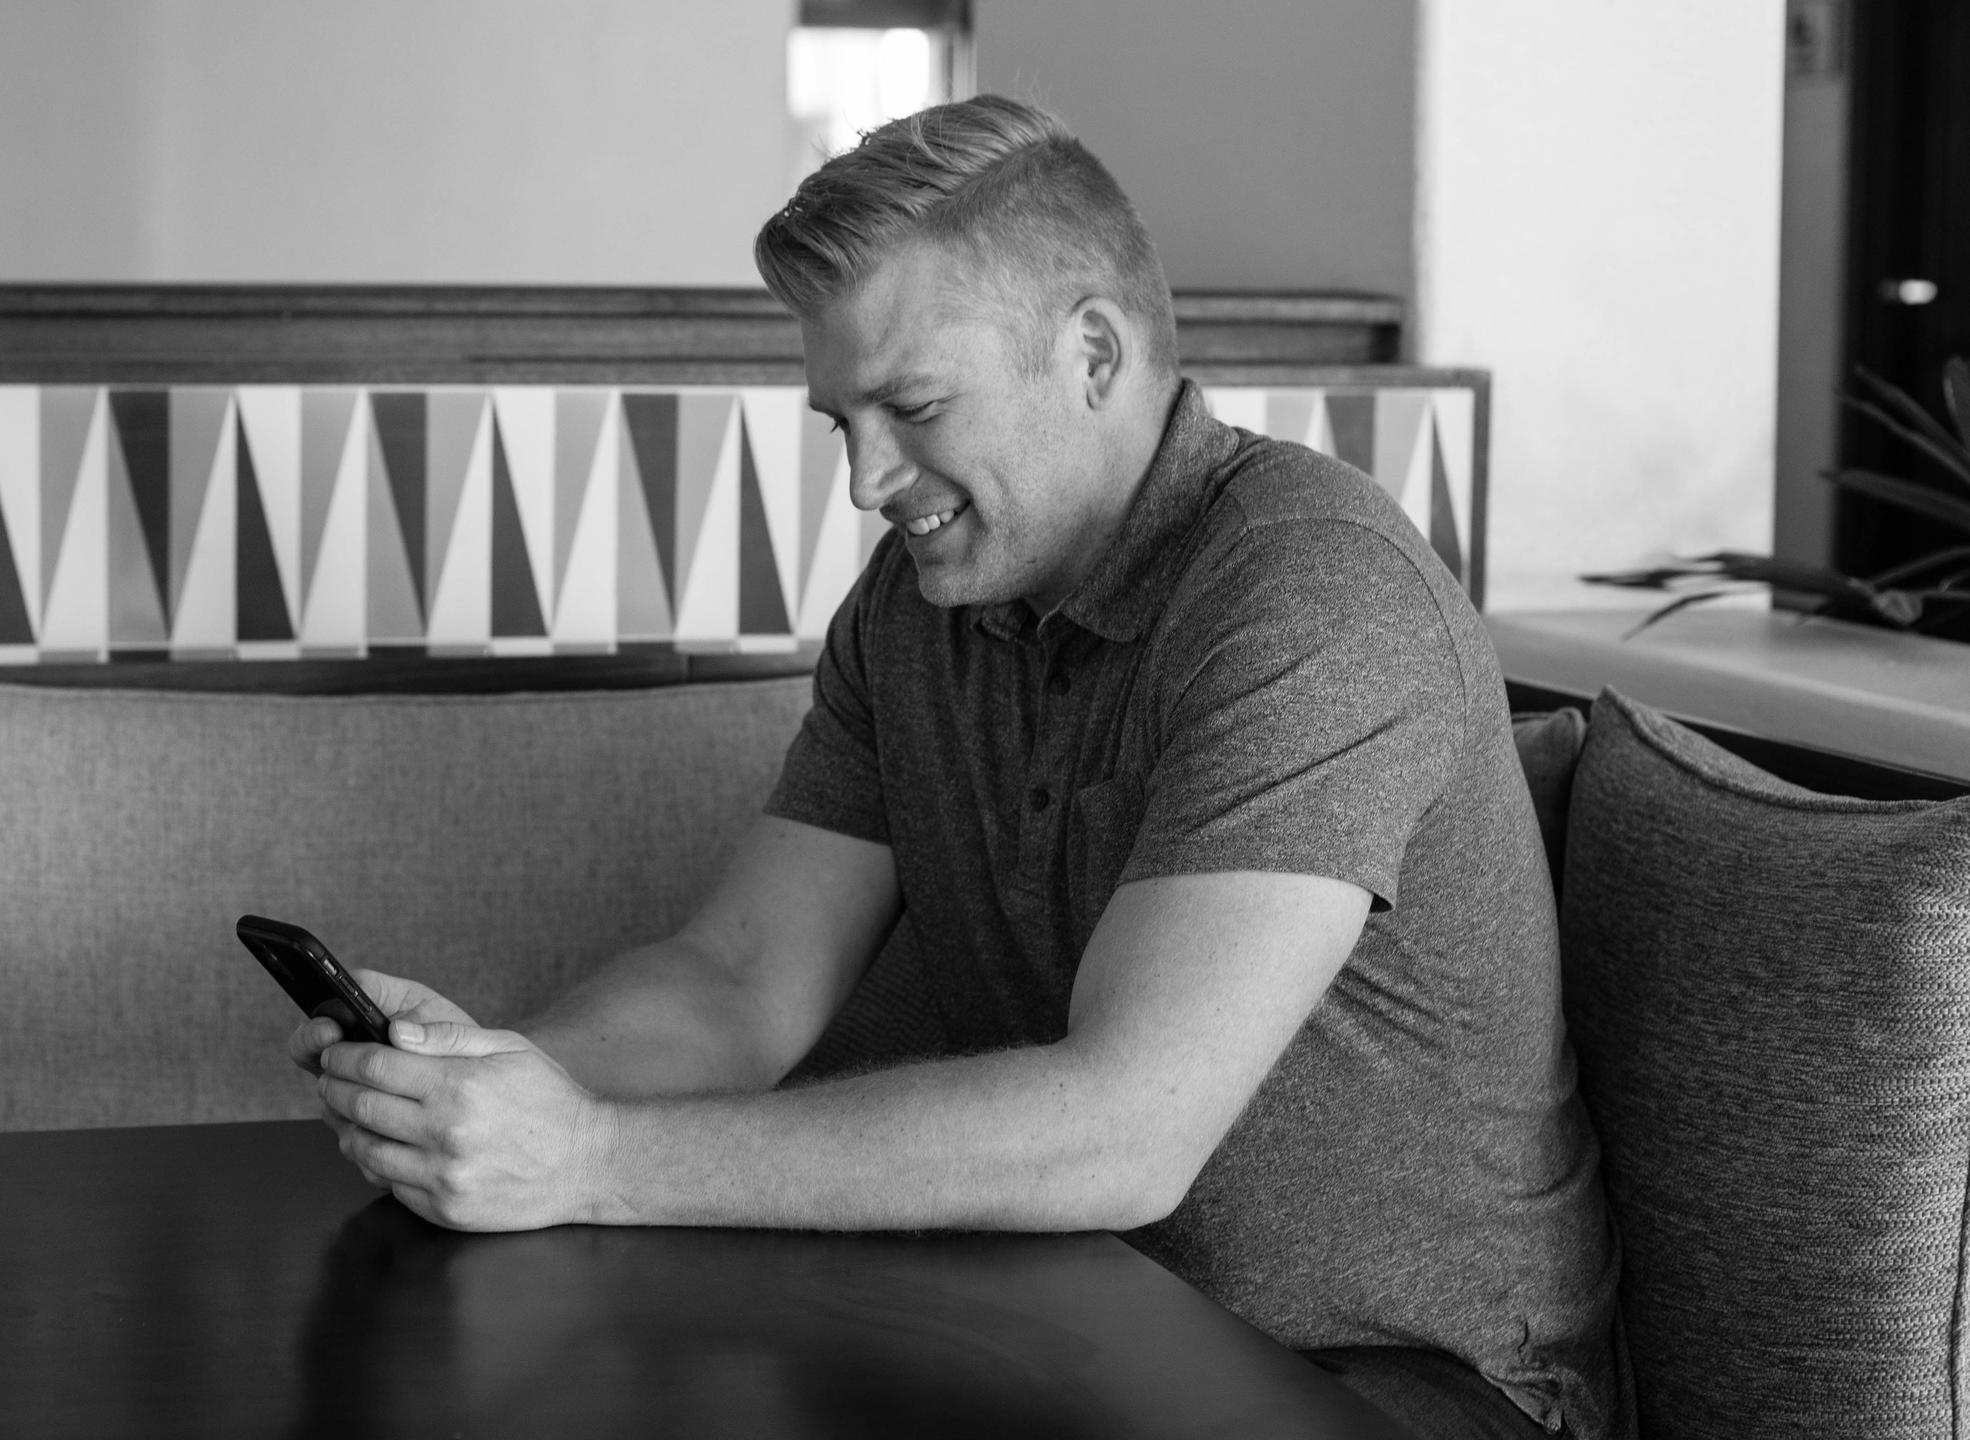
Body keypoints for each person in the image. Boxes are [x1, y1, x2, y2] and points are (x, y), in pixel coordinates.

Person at [294, 96, 1627, 1439]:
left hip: (1403, 1385)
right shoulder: (915, 609)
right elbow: (740, 984)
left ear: (1093, 354)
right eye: (841, 423)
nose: (866, 480)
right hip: (1075, 1333)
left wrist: (587, 1159)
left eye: (913, 405)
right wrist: (484, 1085)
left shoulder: (1311, 591)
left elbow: (1126, 1126)